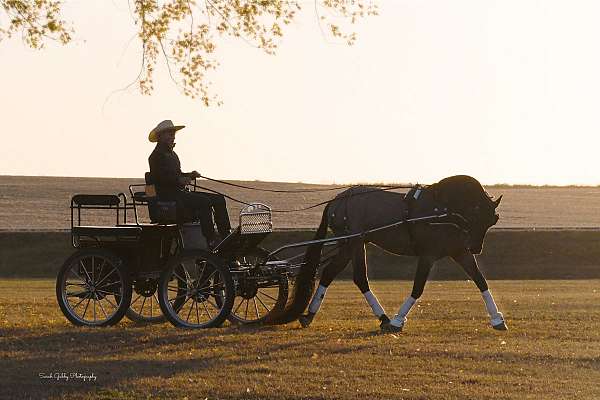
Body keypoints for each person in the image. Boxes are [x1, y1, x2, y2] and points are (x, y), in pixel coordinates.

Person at [147, 120, 231, 244]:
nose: (173, 136)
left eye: (173, 133)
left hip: (179, 194)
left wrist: (190, 175)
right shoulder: (155, 156)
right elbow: (162, 179)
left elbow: (177, 174)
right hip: (168, 197)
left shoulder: (172, 154)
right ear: (161, 136)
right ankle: (210, 238)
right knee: (204, 202)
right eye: (170, 133)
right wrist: (179, 180)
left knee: (219, 199)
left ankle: (225, 234)